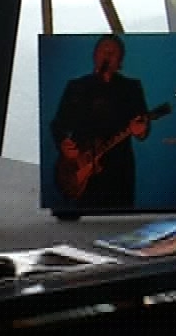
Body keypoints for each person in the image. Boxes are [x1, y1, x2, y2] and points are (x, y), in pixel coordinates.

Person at [49, 34, 150, 209]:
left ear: (120, 61)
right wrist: (63, 144)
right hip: (82, 166)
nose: (108, 55)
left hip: (119, 169)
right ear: (94, 55)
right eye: (104, 50)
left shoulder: (131, 87)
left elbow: (143, 127)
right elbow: (58, 125)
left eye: (114, 52)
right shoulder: (76, 86)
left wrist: (141, 131)